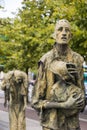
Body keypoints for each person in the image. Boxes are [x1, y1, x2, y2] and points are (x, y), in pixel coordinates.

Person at [31, 19, 86, 130]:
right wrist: (63, 105)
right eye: (60, 30)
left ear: (70, 36)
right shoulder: (46, 60)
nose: (64, 33)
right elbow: (36, 102)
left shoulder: (78, 59)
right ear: (54, 35)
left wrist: (78, 102)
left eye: (67, 30)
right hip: (51, 125)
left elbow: (82, 100)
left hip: (72, 125)